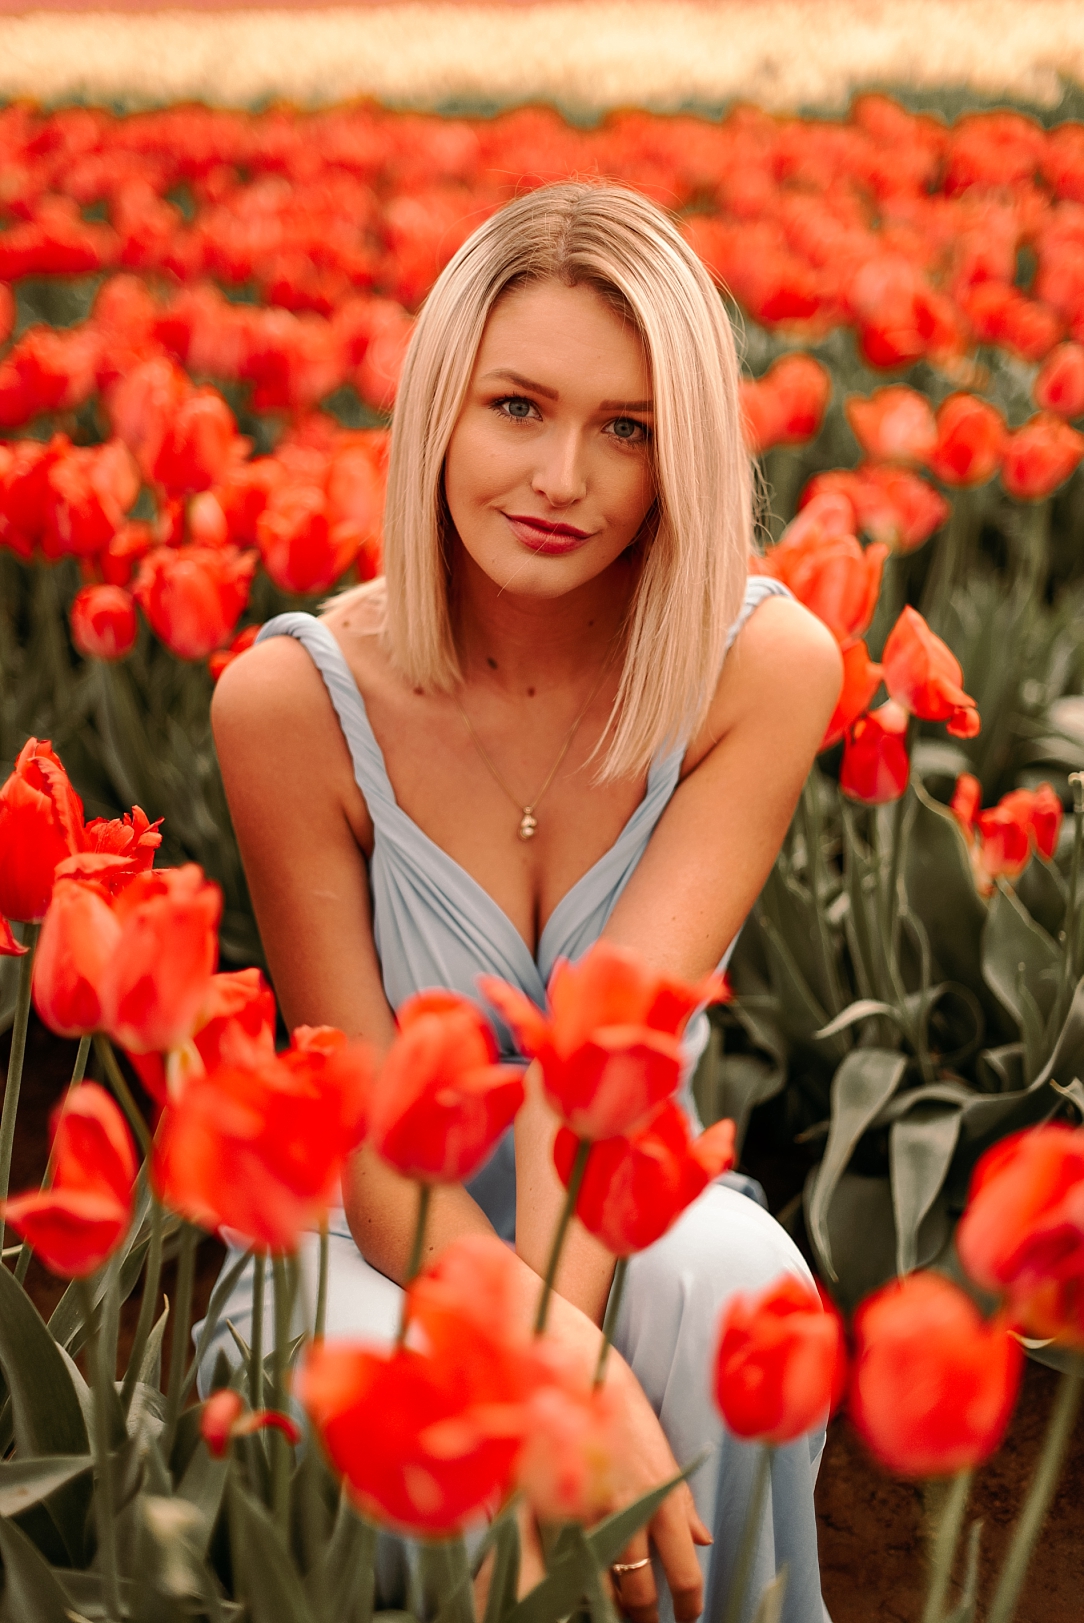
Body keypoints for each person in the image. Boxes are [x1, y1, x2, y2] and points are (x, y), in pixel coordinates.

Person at [207, 182, 842, 1623]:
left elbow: (596, 1088)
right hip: (376, 1240)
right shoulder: (292, 704)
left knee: (740, 1285)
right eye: (517, 407)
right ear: (437, 411)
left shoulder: (762, 669)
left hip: (615, 1194)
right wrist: (571, 1374)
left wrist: (577, 1359)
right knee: (408, 1410)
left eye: (628, 429)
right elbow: (376, 1158)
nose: (565, 476)